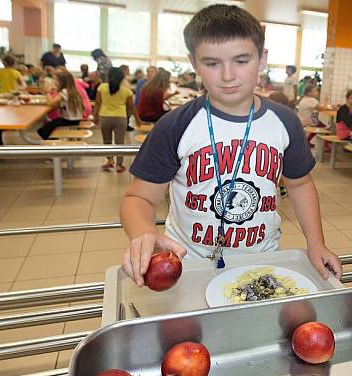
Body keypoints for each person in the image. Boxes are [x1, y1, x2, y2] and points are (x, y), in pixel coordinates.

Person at [120, 4, 340, 286]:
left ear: (262, 59)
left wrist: (316, 243)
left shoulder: (284, 121)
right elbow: (139, 198)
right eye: (212, 63)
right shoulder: (176, 125)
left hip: (262, 259)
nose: (227, 75)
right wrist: (142, 232)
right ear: (194, 63)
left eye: (241, 60)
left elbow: (299, 185)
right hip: (188, 263)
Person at [93, 67, 142, 173]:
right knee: (120, 142)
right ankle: (119, 165)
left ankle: (110, 160)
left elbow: (97, 103)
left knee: (107, 141)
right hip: (121, 118)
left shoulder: (102, 87)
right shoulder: (126, 91)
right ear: (122, 78)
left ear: (108, 76)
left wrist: (95, 116)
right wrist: (137, 119)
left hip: (105, 118)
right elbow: (131, 107)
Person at [38, 70, 85, 139]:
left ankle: (53, 142)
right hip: (75, 119)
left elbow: (51, 103)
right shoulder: (71, 90)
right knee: (50, 125)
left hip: (70, 120)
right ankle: (53, 140)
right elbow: (57, 105)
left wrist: (47, 92)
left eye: (56, 80)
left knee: (44, 129)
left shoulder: (65, 91)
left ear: (62, 81)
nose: (54, 82)